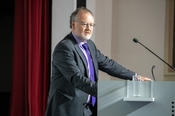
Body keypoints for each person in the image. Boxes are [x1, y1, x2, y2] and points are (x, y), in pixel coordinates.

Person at [45, 7, 151, 116]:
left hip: (88, 110)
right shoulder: (64, 48)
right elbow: (77, 78)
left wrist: (135, 76)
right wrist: (107, 91)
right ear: (73, 25)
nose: (88, 28)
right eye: (84, 24)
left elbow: (108, 64)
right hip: (67, 110)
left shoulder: (90, 45)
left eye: (91, 25)